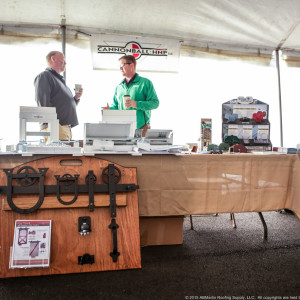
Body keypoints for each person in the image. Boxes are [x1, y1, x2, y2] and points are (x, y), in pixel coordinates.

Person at [102, 55, 159, 137]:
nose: (120, 68)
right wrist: (109, 109)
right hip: (122, 130)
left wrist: (136, 104)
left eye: (122, 65)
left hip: (141, 129)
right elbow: (116, 106)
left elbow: (155, 103)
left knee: (142, 150)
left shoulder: (145, 83)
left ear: (131, 65)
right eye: (119, 66)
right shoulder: (119, 87)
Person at [34, 51, 83, 141]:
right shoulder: (45, 76)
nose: (65, 62)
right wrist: (54, 122)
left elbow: (64, 106)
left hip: (63, 127)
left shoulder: (59, 80)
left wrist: (76, 98)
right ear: (53, 59)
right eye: (63, 59)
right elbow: (43, 102)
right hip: (55, 126)